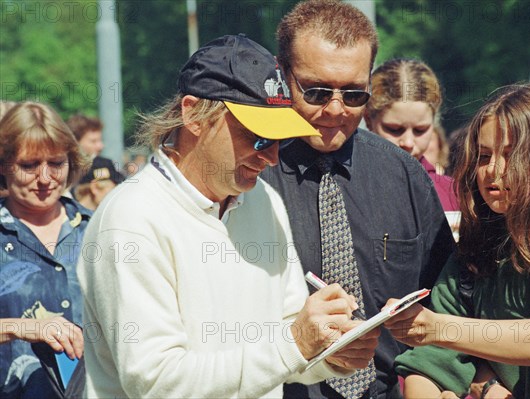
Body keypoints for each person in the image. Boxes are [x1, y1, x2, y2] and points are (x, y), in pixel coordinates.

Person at [76, 34, 379, 398]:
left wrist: (331, 352)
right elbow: (156, 383)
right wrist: (296, 343)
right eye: (257, 137)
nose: (271, 157)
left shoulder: (262, 199)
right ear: (193, 115)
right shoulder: (131, 219)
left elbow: (283, 339)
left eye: (280, 140)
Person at [260, 2, 455, 398]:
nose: (335, 109)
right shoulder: (250, 173)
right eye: (315, 92)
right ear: (282, 76)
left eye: (353, 94)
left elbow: (447, 299)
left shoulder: (403, 175)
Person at [386, 83, 530, 399]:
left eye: (512, 156)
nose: (492, 171)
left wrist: (440, 329)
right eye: (484, 156)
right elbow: (427, 364)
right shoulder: (476, 249)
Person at [0, 101, 89, 398]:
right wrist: (22, 328)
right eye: (29, 166)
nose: (45, 178)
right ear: (3, 164)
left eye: (56, 163)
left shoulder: (100, 228)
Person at [364, 58, 459, 212]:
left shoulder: (452, 195)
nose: (408, 142)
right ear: (368, 119)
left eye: (420, 130)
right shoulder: (342, 185)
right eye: (394, 129)